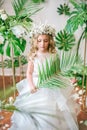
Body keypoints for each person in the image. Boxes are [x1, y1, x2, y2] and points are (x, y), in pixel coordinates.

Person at [8, 24, 80, 130]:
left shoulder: (54, 55)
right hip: (37, 84)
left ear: (50, 41)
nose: (42, 44)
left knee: (49, 107)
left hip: (50, 83)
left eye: (45, 41)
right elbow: (29, 73)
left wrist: (67, 79)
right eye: (40, 40)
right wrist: (31, 85)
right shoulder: (33, 55)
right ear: (35, 41)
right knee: (34, 107)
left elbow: (57, 72)